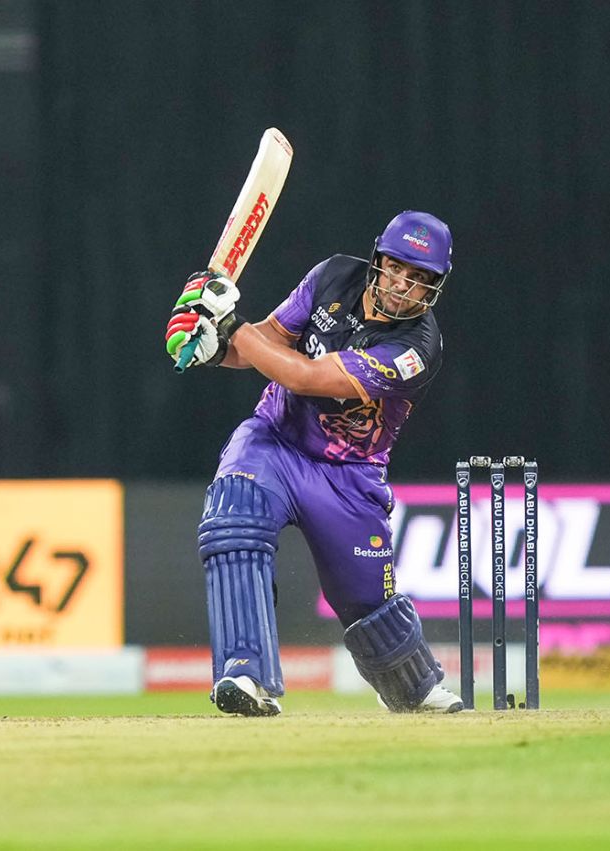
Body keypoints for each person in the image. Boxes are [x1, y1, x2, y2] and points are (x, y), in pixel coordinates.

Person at [164, 210, 463, 716]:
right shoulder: (333, 276)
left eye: (420, 280)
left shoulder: (417, 348)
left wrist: (231, 324)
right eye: (398, 269)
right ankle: (245, 674)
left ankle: (413, 688)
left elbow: (304, 375)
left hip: (348, 477)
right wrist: (214, 344)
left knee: (368, 604)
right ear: (378, 261)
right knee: (234, 522)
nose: (404, 286)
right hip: (274, 440)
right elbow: (269, 341)